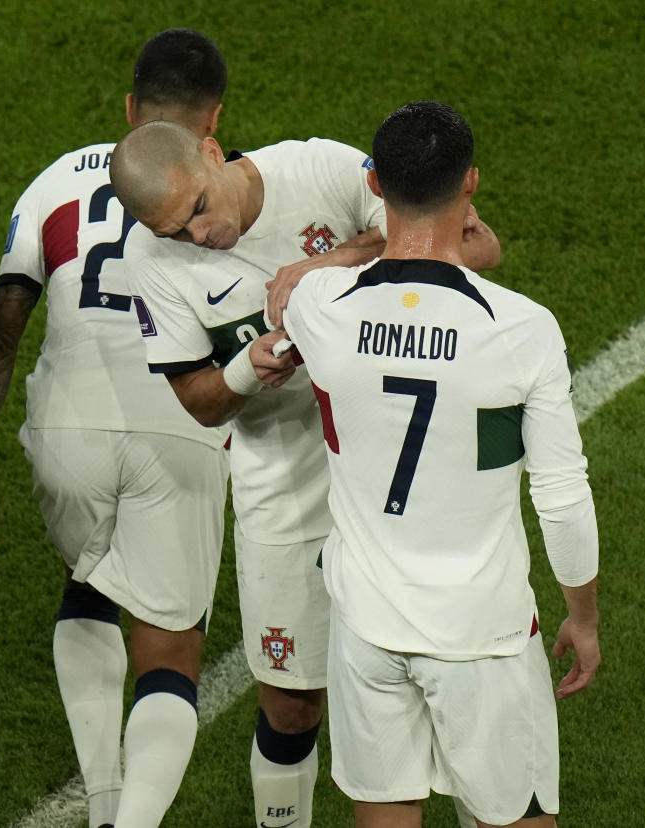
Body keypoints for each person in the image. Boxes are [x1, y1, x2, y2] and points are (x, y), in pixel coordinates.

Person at [110, 119, 501, 828]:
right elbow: (198, 401)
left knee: (448, 687)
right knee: (293, 705)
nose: (199, 237)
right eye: (176, 232)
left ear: (210, 150)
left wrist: (325, 266)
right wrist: (246, 368)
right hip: (284, 495)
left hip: (401, 485)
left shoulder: (318, 170)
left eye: (198, 210)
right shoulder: (151, 259)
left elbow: (468, 240)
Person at [0, 29, 229, 828]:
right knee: (170, 650)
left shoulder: (57, 181)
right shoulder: (225, 188)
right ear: (214, 122)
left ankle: (103, 804)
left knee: (90, 581)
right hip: (182, 426)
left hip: (66, 429)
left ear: (129, 108)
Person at [278, 100, 599, 828]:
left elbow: (300, 287)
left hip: (365, 626)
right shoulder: (521, 330)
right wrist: (583, 615)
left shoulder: (321, 307)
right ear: (472, 183)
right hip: (480, 635)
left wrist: (335, 254)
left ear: (375, 184)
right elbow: (561, 495)